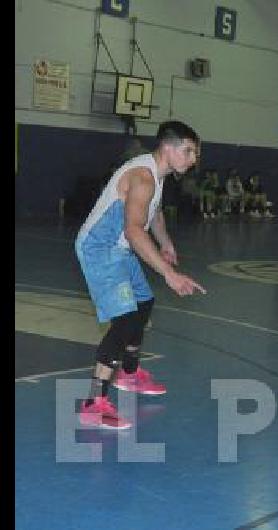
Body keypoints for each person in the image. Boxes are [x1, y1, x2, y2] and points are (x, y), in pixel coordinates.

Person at [75, 120, 206, 429]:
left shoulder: (157, 174)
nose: (193, 159)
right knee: (123, 320)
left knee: (144, 302)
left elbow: (153, 212)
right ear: (168, 148)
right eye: (188, 152)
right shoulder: (143, 177)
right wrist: (170, 274)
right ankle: (94, 402)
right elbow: (134, 230)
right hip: (101, 248)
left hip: (119, 247)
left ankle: (130, 373)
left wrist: (165, 243)